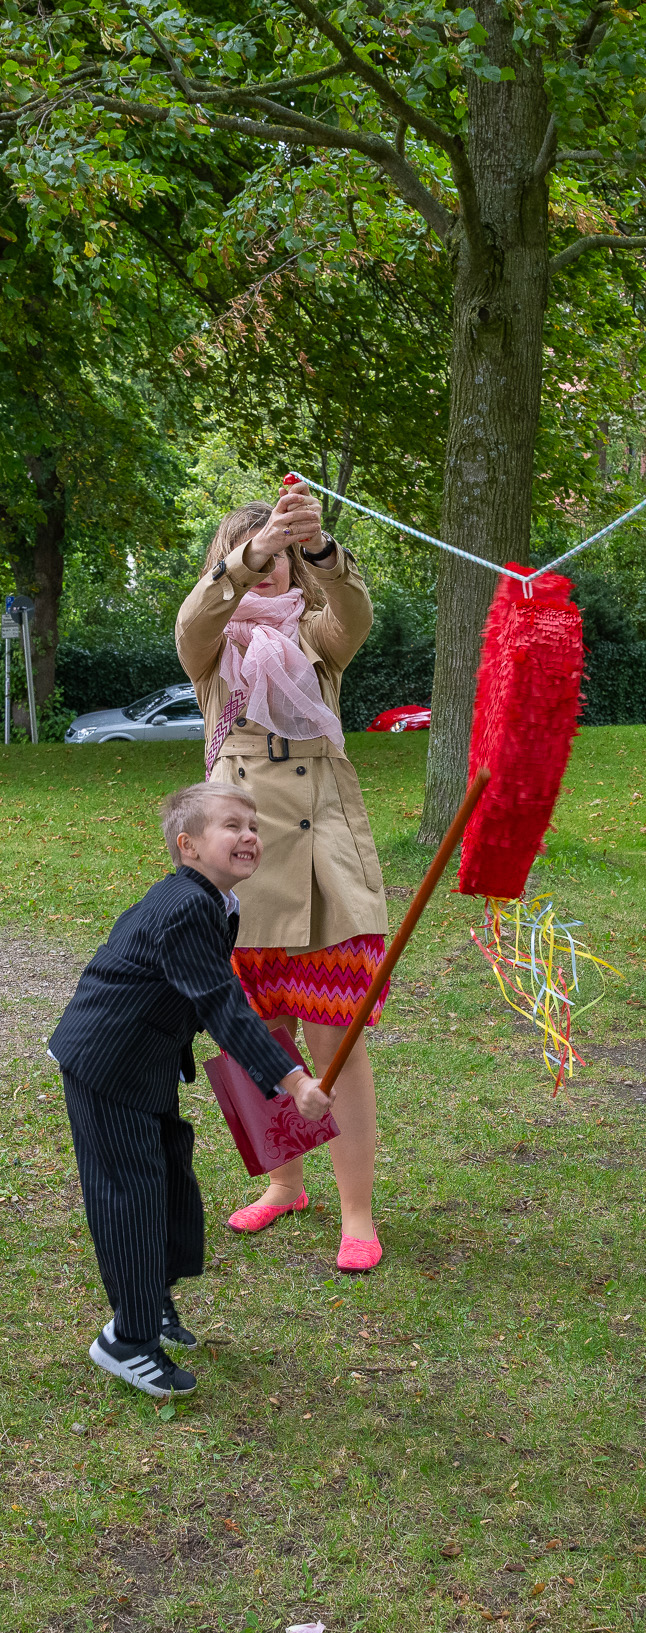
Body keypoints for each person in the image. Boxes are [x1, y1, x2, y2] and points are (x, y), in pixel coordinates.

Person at [50, 785, 334, 1400]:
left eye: (254, 825)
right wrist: (291, 1081)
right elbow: (220, 1002)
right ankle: (126, 1340)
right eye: (232, 825)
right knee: (131, 1193)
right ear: (188, 846)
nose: (250, 834)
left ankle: (150, 1305)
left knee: (171, 1174)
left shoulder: (213, 901)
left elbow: (197, 993)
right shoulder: (187, 905)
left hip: (142, 1059)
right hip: (108, 1063)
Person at [176, 479, 389, 1273]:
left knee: (336, 1046)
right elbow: (191, 618)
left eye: (281, 555)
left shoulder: (316, 636)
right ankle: (285, 1184)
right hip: (237, 860)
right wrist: (246, 556)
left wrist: (322, 548)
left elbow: (355, 614)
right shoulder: (212, 646)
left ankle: (356, 1210)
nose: (270, 566)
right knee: (258, 1040)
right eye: (253, 553)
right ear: (231, 562)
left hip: (321, 854)